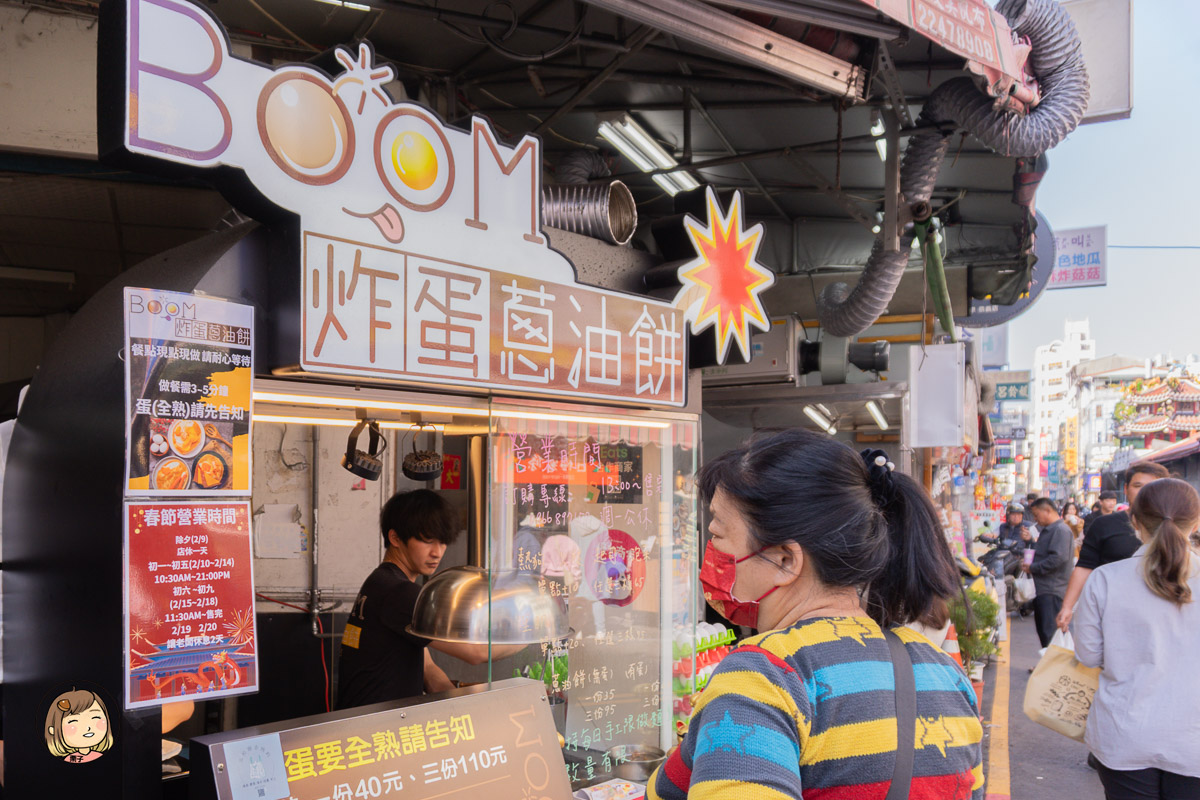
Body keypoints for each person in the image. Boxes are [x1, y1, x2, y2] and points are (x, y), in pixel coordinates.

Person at [648, 430, 982, 800]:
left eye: (718, 535)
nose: (711, 553)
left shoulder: (762, 679)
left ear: (784, 560)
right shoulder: (945, 673)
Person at [1073, 478, 1200, 798]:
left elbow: (1088, 656)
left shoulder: (1105, 580)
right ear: (1196, 522)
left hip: (1124, 733)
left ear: (1134, 521)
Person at [337, 490, 522, 709]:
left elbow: (429, 672)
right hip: (376, 731)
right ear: (395, 537)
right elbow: (477, 652)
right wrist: (531, 636)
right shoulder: (398, 592)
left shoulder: (381, 582)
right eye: (427, 541)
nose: (437, 552)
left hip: (372, 721)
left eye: (443, 542)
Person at [1057, 462, 1169, 633]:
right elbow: (1085, 566)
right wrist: (1067, 607)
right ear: (1125, 489)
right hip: (1111, 612)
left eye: (1153, 486)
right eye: (1138, 486)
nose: (1145, 492)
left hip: (1162, 614)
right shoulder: (1103, 524)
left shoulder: (1174, 527)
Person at [1023, 498, 1074, 648]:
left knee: (1050, 635)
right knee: (1046, 634)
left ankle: (1054, 669)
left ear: (1047, 511)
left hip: (1052, 590)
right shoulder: (1051, 530)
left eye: (1036, 514)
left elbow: (1058, 559)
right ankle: (1048, 666)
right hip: (1046, 589)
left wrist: (1034, 568)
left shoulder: (1060, 530)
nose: (1035, 518)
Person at [45, 689, 112, 763]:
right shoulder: (70, 759)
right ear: (53, 730)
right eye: (73, 721)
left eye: (96, 717)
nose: (88, 727)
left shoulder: (101, 756)